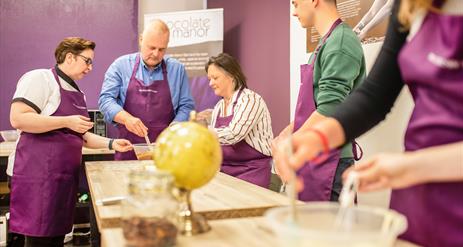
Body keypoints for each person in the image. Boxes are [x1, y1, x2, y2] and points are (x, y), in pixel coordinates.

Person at [277, 0, 463, 246]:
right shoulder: (411, 5)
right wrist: (317, 137)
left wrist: (411, 167)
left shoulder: (342, 41)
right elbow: (375, 96)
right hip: (416, 192)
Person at [8, 37, 133, 247]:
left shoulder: (78, 94)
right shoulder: (41, 79)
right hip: (37, 178)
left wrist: (112, 143)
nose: (91, 68)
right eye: (87, 61)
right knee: (39, 241)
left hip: (62, 180)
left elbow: (81, 135)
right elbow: (18, 118)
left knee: (57, 239)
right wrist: (67, 121)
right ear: (69, 57)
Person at [273, 0, 366, 201]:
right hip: (313, 155)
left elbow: (330, 108)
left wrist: (290, 145)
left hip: (331, 162)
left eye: (296, 4)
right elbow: (315, 106)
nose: (294, 13)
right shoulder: (326, 43)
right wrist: (286, 134)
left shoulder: (340, 42)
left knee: (331, 231)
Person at [98, 19, 195, 160]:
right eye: (152, 47)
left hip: (166, 151)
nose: (156, 54)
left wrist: (174, 128)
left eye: (161, 49)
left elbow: (187, 106)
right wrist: (127, 119)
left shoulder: (177, 69)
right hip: (127, 148)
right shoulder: (120, 66)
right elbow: (105, 100)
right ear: (141, 40)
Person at [202, 53, 274, 188]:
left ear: (231, 75)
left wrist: (201, 133)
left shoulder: (250, 100)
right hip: (225, 171)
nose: (211, 83)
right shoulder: (219, 106)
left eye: (215, 78)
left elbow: (234, 134)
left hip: (252, 170)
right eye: (209, 79)